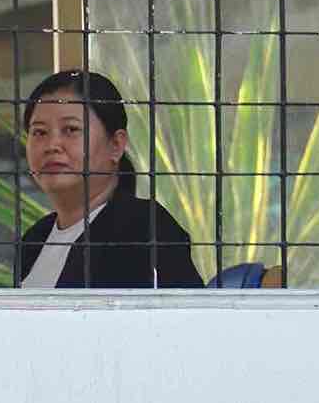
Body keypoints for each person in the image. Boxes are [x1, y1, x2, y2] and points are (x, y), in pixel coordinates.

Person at [15, 68, 204, 288]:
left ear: (116, 145)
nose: (52, 146)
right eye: (39, 132)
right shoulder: (35, 238)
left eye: (71, 129)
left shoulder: (145, 228)